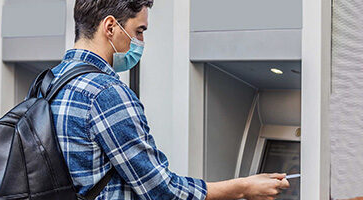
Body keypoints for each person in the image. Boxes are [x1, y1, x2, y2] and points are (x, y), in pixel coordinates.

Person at [49, 0, 290, 199]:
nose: (141, 42)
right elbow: (161, 191)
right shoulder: (107, 93)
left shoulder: (48, 82)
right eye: (139, 31)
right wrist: (244, 187)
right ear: (110, 26)